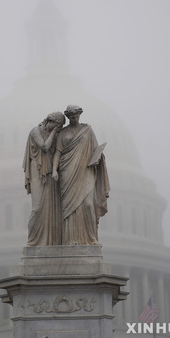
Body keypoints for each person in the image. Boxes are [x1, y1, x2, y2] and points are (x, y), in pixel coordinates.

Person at [52, 105, 110, 245]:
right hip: (67, 172)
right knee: (69, 209)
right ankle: (70, 239)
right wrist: (54, 170)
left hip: (86, 171)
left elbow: (96, 150)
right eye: (71, 117)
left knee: (88, 204)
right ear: (67, 117)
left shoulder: (88, 131)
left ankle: (91, 239)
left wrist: (98, 158)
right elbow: (58, 153)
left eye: (76, 116)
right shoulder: (63, 133)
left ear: (80, 115)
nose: (74, 118)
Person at [23, 112, 65, 246]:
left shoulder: (56, 134)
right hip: (38, 170)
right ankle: (33, 241)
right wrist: (54, 132)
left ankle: (50, 241)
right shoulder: (36, 131)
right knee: (37, 208)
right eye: (56, 125)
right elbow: (45, 147)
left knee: (51, 208)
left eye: (60, 127)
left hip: (49, 172)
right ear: (49, 121)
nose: (58, 128)